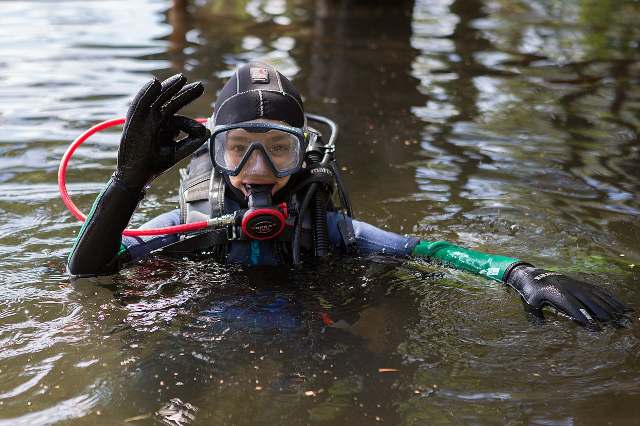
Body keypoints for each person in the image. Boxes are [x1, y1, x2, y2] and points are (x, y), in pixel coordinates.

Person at [67, 62, 631, 329]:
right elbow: (84, 273)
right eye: (239, 149)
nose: (258, 169)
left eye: (278, 150)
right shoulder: (192, 225)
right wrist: (127, 183)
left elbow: (422, 252)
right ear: (213, 155)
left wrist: (520, 274)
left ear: (305, 154)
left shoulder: (326, 226)